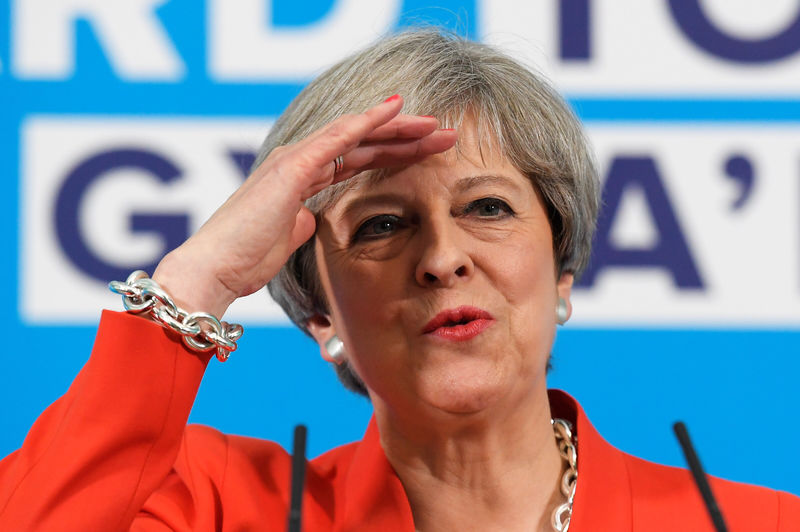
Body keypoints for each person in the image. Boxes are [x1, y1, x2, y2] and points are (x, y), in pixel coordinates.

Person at [0, 29, 798, 532]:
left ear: (562, 271)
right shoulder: (218, 508)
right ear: (320, 315)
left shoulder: (756, 521)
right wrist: (195, 279)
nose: (442, 258)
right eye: (382, 223)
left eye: (487, 207)